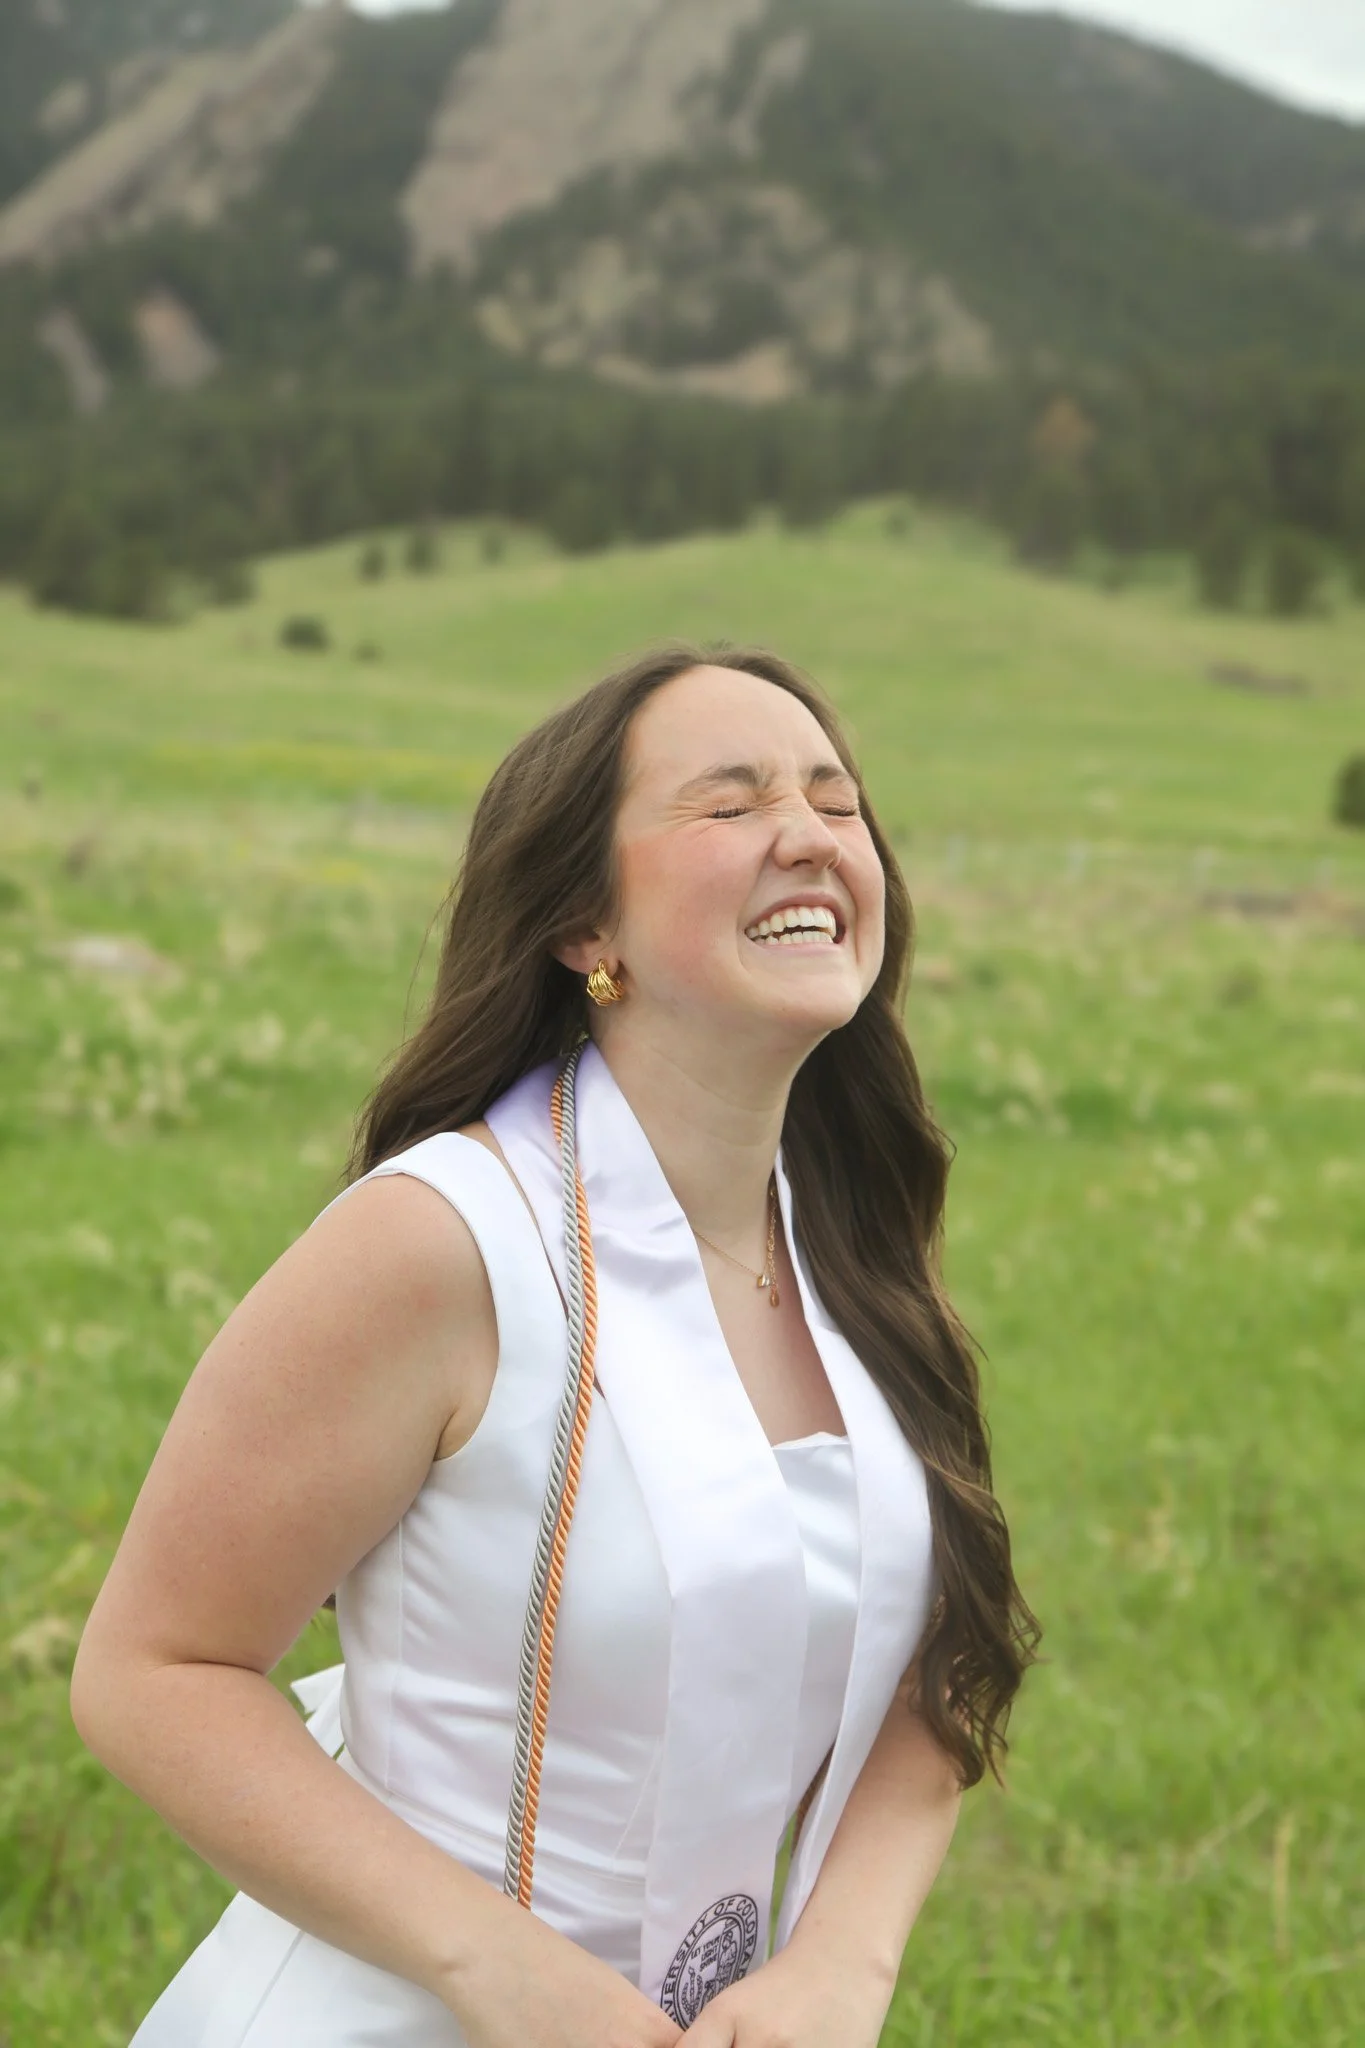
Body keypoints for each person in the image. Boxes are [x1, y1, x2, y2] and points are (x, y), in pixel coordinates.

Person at [72, 642, 1039, 2047]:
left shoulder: (849, 1252)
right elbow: (153, 1674)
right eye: (731, 803)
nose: (809, 838)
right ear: (587, 927)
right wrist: (498, 1969)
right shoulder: (436, 1243)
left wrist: (840, 1965)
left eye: (837, 803)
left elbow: (936, 1660)